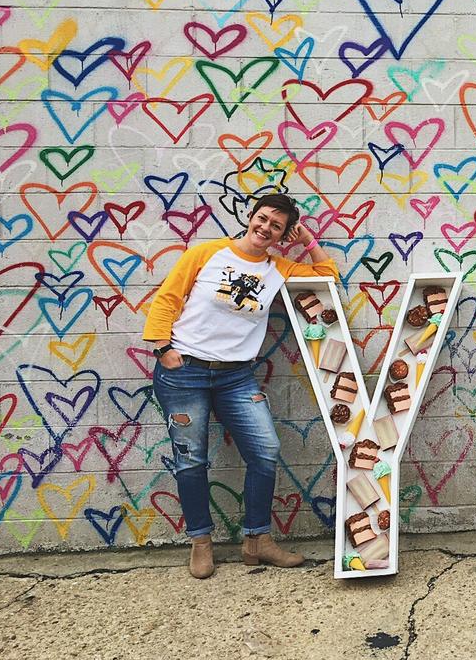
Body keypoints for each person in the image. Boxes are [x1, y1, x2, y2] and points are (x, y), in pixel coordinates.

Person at [144, 193, 338, 578]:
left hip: (236, 376)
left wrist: (308, 243)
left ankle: (257, 541)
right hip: (185, 372)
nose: (266, 227)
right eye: (263, 218)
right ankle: (201, 543)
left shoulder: (278, 269)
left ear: (283, 235)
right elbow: (169, 297)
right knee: (191, 458)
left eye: (277, 226)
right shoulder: (208, 253)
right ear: (251, 217)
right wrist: (162, 347)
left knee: (265, 451)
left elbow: (328, 276)